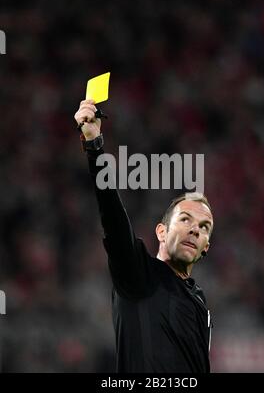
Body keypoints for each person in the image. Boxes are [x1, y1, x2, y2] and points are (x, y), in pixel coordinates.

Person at [74, 99, 214, 373]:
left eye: (204, 227)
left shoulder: (198, 299)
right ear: (161, 232)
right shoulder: (139, 275)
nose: (195, 229)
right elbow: (114, 223)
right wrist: (94, 149)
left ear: (206, 247)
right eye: (185, 219)